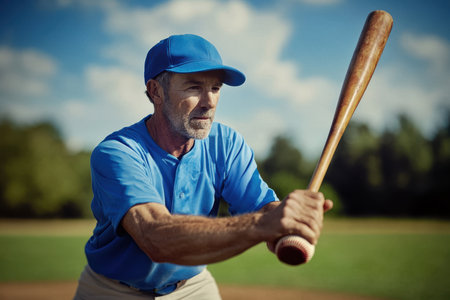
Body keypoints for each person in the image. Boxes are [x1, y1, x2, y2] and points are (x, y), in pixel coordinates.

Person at [74, 34, 332, 300]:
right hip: (112, 290)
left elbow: (263, 208)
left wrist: (292, 218)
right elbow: (155, 238)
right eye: (194, 87)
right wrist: (266, 223)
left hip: (192, 285)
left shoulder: (227, 143)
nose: (209, 102)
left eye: (216, 88)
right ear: (156, 91)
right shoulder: (118, 152)